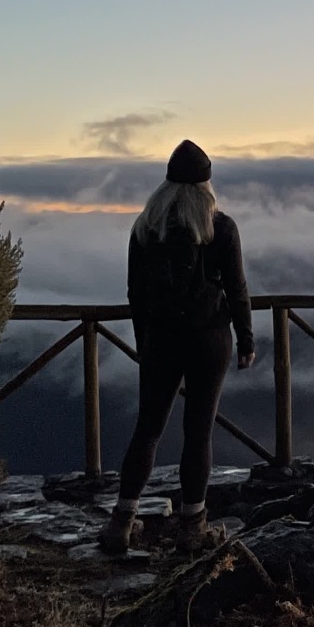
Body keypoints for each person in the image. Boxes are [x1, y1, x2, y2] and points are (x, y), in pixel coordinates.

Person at [98, 139, 255, 553]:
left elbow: (136, 292)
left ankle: (122, 522)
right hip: (210, 339)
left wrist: (142, 342)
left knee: (147, 430)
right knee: (198, 432)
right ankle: (192, 527)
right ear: (206, 185)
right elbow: (237, 288)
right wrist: (246, 339)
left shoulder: (146, 227)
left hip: (161, 339)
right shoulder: (220, 227)